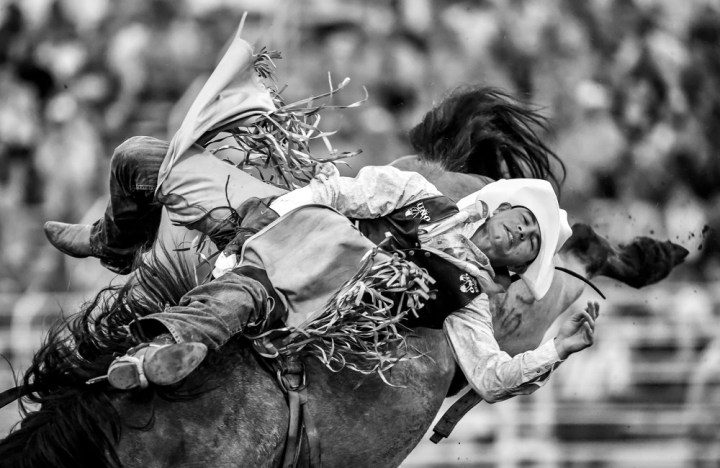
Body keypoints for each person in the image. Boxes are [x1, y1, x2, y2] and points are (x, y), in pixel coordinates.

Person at [45, 27, 599, 402]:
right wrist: (275, 219)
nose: (524, 227)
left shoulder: (469, 299)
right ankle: (114, 243)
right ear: (497, 205)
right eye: (524, 215)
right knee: (138, 157)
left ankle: (166, 349)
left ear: (513, 269)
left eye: (530, 240)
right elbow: (340, 193)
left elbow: (490, 376)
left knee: (254, 288)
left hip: (318, 284)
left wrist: (557, 348)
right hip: (278, 220)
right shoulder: (414, 190)